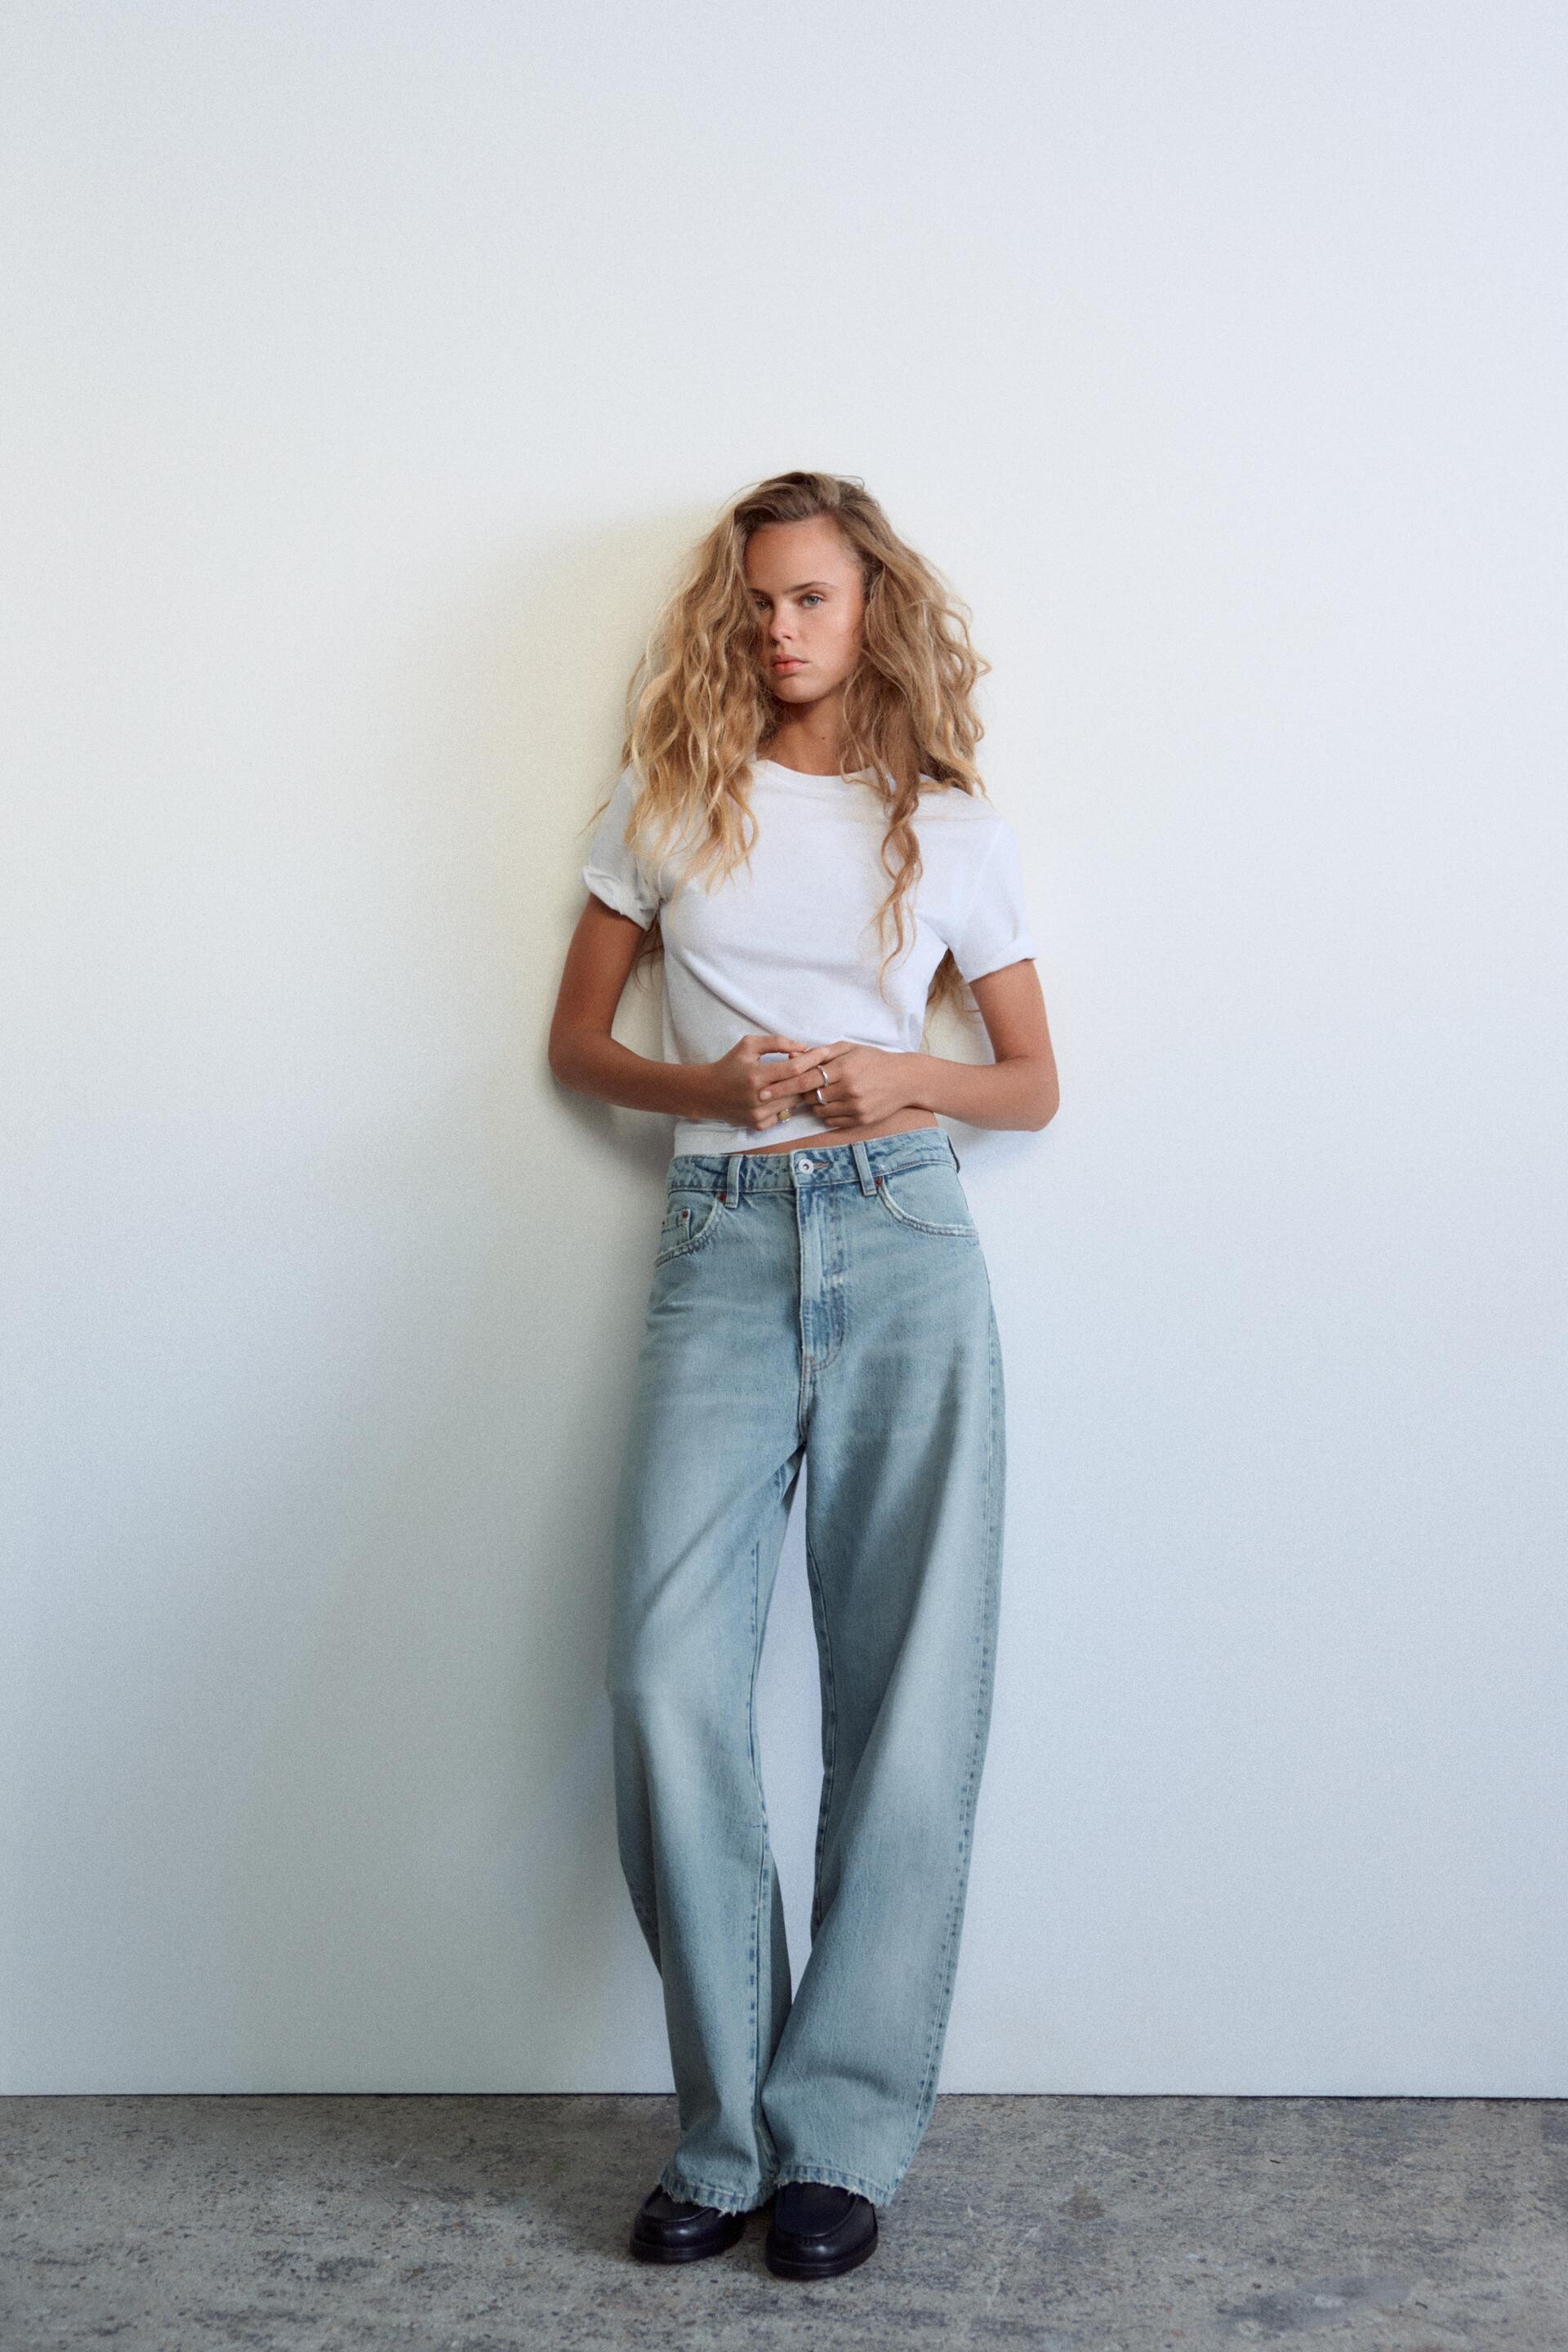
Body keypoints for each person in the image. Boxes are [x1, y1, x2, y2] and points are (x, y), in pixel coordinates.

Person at [548, 469, 1059, 2279]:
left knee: (905, 1695)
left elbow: (1031, 1083)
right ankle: (726, 2135)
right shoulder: (667, 801)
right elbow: (577, 1039)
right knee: (664, 1682)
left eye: (815, 598)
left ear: (870, 607)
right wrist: (710, 1087)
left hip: (908, 1235)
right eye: (760, 601)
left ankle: (840, 2133)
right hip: (722, 1238)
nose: (781, 630)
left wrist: (902, 1075)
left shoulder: (949, 826)